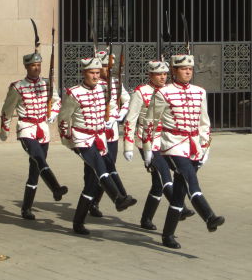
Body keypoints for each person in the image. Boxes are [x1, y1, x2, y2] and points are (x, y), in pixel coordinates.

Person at [143, 54, 224, 249]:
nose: (188, 71)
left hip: (194, 145)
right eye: (183, 69)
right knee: (190, 180)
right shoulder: (164, 93)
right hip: (173, 144)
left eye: (190, 69)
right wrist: (148, 149)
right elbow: (150, 122)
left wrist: (206, 146)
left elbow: (204, 122)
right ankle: (209, 216)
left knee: (179, 192)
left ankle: (167, 235)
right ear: (174, 71)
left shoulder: (200, 92)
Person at [58, 56, 136, 235]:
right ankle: (117, 199)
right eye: (91, 73)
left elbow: (117, 103)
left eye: (97, 72)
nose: (95, 76)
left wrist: (115, 117)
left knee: (92, 183)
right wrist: (69, 142)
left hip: (100, 137)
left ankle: (78, 222)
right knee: (100, 168)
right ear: (84, 73)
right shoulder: (74, 93)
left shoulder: (104, 89)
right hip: (82, 138)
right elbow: (63, 119)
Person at [123, 60, 194, 230]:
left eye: (164, 74)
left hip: (166, 140)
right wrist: (128, 146)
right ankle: (180, 208)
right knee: (164, 176)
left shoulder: (169, 91)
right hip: (147, 140)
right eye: (158, 74)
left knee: (157, 184)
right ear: (150, 75)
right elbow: (130, 120)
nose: (162, 77)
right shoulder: (141, 92)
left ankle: (146, 219)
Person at [0, 51, 67, 220]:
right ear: (26, 67)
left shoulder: (47, 83)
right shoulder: (18, 87)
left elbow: (57, 100)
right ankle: (55, 188)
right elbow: (7, 110)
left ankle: (26, 208)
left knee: (35, 170)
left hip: (42, 128)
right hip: (27, 128)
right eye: (32, 65)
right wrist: (4, 129)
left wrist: (54, 113)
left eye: (38, 65)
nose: (36, 68)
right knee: (39, 158)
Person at [87, 49, 131, 218]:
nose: (107, 70)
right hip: (97, 132)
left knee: (109, 165)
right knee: (94, 170)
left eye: (108, 66)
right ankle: (117, 196)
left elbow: (126, 99)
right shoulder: (94, 84)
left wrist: (121, 113)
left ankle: (96, 202)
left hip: (111, 132)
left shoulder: (115, 82)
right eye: (104, 66)